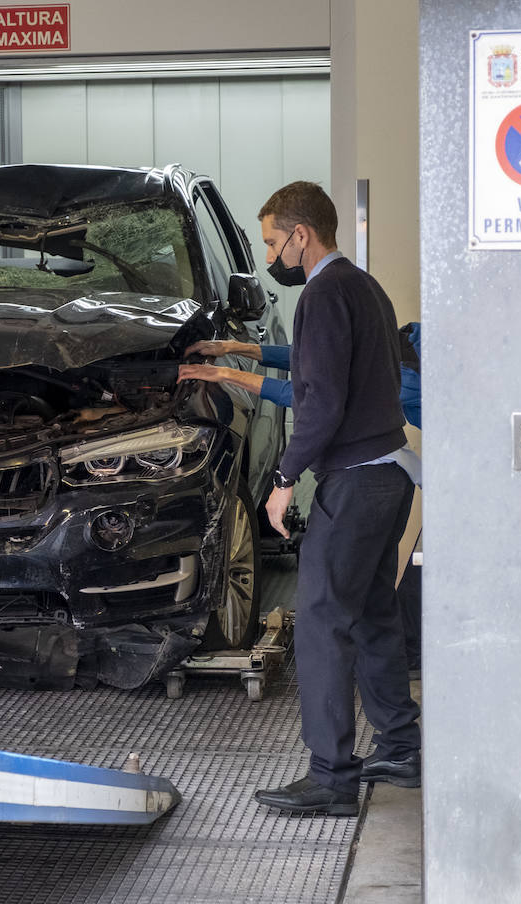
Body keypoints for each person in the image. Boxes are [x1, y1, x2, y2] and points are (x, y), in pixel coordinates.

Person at [218, 182, 422, 816]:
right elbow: (360, 372)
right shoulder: (365, 288)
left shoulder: (324, 293)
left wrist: (283, 480)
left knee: (322, 627)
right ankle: (399, 746)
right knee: (370, 615)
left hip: (356, 482)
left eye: (273, 241)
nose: (273, 255)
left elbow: (320, 402)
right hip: (390, 476)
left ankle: (331, 778)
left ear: (301, 236)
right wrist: (239, 354)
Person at [179, 322, 424, 674]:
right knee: (400, 577)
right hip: (436, 471)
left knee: (421, 569)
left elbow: (315, 397)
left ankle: (405, 657)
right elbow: (316, 362)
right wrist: (236, 347)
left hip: (473, 476)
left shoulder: (409, 371)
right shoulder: (402, 340)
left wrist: (226, 374)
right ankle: (397, 658)